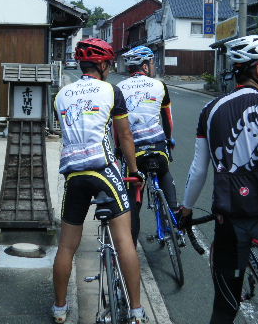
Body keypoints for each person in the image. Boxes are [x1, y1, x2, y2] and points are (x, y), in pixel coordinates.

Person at [180, 35, 258, 324]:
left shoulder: (210, 109)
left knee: (225, 307)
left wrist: (186, 209)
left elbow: (198, 169)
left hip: (230, 219)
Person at [51, 38, 148, 324]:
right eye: (110, 64)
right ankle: (137, 311)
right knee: (124, 240)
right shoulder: (111, 90)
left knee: (66, 246)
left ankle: (59, 309)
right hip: (103, 170)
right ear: (103, 65)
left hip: (73, 174)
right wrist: (134, 171)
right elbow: (125, 135)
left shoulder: (61, 94)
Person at [116, 45, 177, 246]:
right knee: (164, 171)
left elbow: (118, 127)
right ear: (144, 66)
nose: (153, 66)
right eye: (152, 63)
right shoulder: (160, 85)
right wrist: (169, 140)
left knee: (133, 195)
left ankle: (131, 245)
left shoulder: (119, 88)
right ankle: (174, 218)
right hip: (157, 145)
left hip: (134, 150)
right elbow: (167, 118)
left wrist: (119, 149)